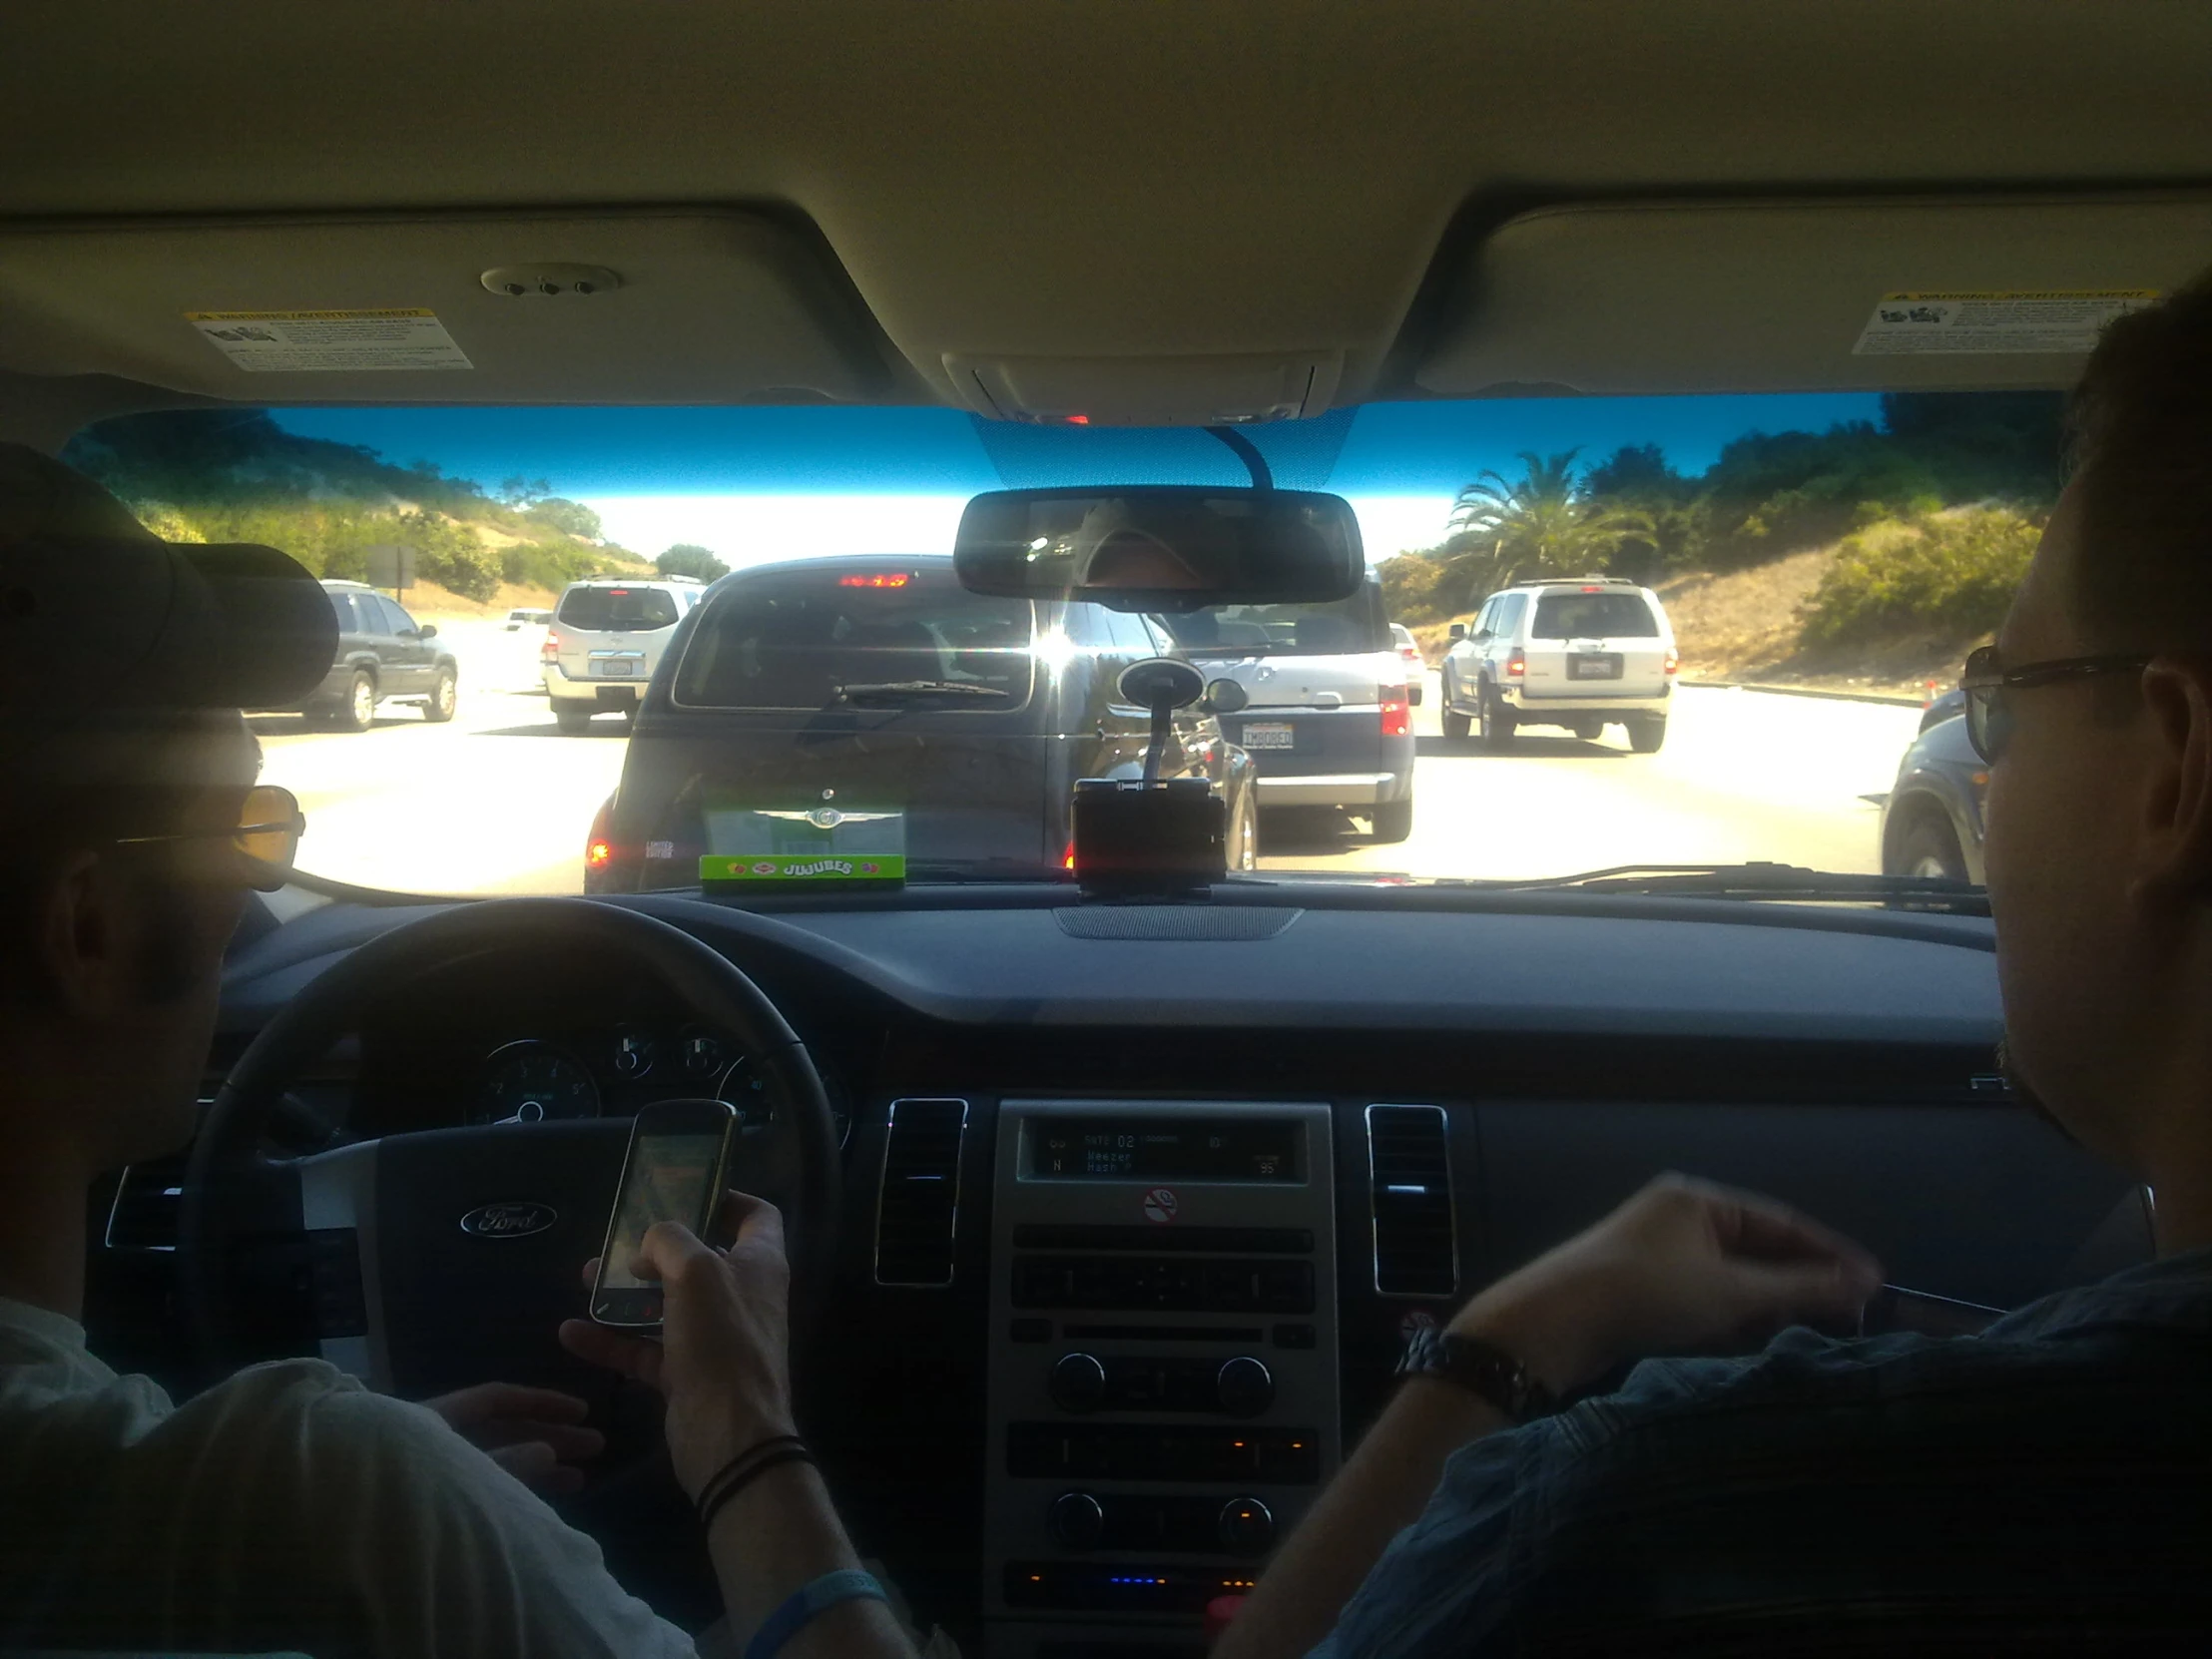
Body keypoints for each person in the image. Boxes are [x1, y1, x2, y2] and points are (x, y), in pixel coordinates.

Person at [1218, 275, 2212, 1657]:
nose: (1988, 757)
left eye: (2008, 698)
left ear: (2174, 770)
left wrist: (1510, 1335)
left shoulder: (1665, 1513)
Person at [0, 444, 918, 1659]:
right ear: (93, 929)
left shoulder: (288, 1504)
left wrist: (420, 1487)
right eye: (244, 830)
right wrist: (745, 1429)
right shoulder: (324, 1501)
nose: (257, 879)